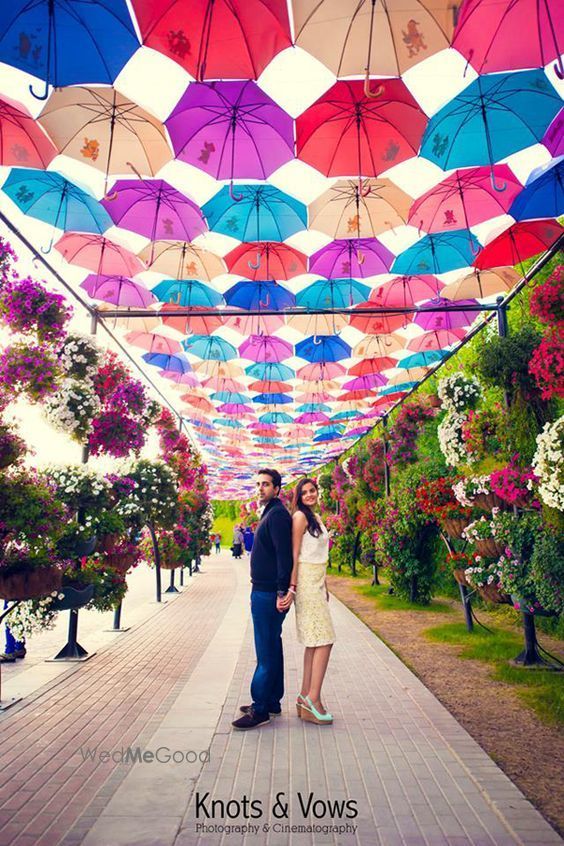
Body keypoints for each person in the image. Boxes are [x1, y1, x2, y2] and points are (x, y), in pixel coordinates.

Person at [232, 468, 293, 730]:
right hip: (264, 591)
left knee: (265, 651)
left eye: (266, 484)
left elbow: (284, 555)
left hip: (268, 593)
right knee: (272, 645)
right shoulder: (270, 512)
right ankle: (272, 701)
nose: (260, 488)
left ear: (277, 488)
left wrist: (282, 591)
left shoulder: (278, 515)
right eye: (258, 484)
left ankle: (260, 709)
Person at [279, 477, 335, 725]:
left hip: (317, 581)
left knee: (314, 642)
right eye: (305, 493)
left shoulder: (315, 516)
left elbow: (319, 554)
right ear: (298, 497)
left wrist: (326, 584)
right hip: (305, 582)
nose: (310, 495)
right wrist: (291, 587)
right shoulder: (299, 517)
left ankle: (304, 697)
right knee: (325, 639)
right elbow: (295, 553)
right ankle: (314, 698)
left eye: (313, 490)